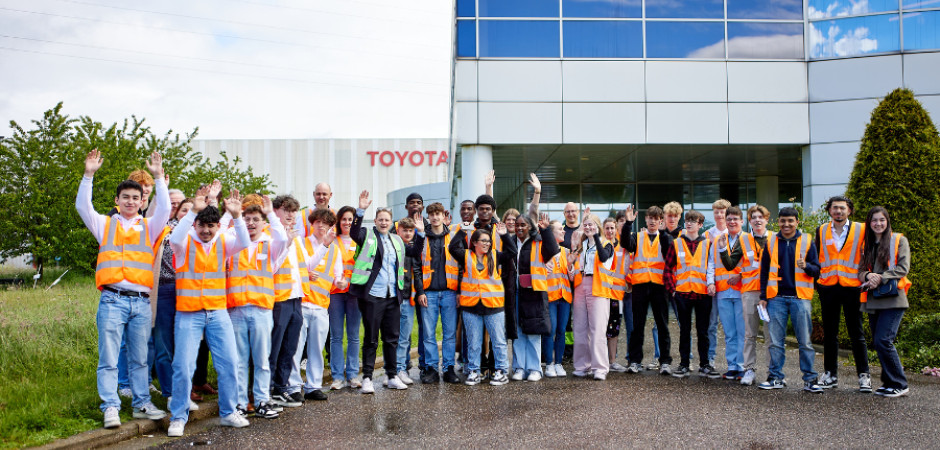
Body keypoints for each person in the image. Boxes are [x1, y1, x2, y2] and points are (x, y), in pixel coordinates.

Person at [76, 149, 170, 429]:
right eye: (125, 197)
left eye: (136, 198)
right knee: (108, 359)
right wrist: (88, 175)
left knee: (140, 359)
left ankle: (142, 403)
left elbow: (164, 209)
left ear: (143, 201)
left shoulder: (150, 226)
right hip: (112, 300)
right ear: (117, 201)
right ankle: (111, 407)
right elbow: (83, 207)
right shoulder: (104, 224)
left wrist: (157, 177)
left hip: (141, 303)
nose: (130, 201)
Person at [167, 187, 252, 436]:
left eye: (211, 226)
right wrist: (193, 208)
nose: (206, 230)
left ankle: (228, 412)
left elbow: (245, 242)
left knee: (228, 363)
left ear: (217, 227)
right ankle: (179, 416)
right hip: (189, 313)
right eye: (202, 225)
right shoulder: (183, 243)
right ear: (195, 225)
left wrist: (236, 216)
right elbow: (173, 239)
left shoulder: (223, 242)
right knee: (183, 366)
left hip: (217, 312)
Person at [349, 191, 425, 394]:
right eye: (380, 219)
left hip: (393, 296)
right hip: (373, 295)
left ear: (392, 223)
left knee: (392, 337)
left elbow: (414, 252)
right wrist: (360, 210)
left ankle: (391, 376)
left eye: (387, 220)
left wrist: (421, 233)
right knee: (371, 339)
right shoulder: (367, 235)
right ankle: (367, 377)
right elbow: (354, 233)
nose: (384, 223)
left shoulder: (397, 240)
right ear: (375, 221)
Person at [226, 195, 290, 419]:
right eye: (247, 219)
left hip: (261, 310)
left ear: (263, 223)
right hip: (236, 309)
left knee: (262, 360)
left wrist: (271, 213)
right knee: (239, 361)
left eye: (256, 219)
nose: (251, 223)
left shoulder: (271, 245)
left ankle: (262, 400)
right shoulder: (234, 242)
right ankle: (241, 403)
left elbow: (282, 237)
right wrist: (231, 213)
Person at [757, 207, 824, 393]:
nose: (786, 224)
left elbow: (817, 270)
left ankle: (810, 380)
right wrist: (763, 297)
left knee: (805, 342)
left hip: (800, 298)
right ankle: (775, 377)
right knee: (776, 341)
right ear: (778, 222)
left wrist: (807, 266)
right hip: (776, 298)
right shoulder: (770, 242)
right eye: (783, 221)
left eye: (790, 221)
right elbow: (763, 272)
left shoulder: (808, 241)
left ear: (797, 222)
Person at [814, 196, 871, 392]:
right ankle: (830, 374)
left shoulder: (862, 229)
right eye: (835, 208)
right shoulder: (821, 230)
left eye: (842, 208)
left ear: (849, 211)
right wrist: (818, 283)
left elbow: (870, 253)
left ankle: (864, 376)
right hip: (829, 287)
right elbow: (817, 256)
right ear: (829, 211)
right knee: (830, 334)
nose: (838, 211)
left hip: (852, 287)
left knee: (857, 333)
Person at [449, 223, 516, 385]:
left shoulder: (495, 255)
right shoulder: (466, 256)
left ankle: (501, 371)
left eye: (488, 241)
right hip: (471, 307)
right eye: (483, 241)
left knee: (499, 341)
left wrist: (504, 235)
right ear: (474, 242)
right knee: (473, 342)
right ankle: (474, 371)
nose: (486, 243)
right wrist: (463, 231)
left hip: (494, 306)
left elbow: (513, 252)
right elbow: (452, 247)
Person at [151, 197, 199, 411]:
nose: (187, 213)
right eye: (184, 209)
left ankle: (183, 392)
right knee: (163, 344)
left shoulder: (200, 236)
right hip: (164, 289)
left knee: (185, 345)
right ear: (177, 212)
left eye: (192, 210)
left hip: (188, 290)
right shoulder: (165, 231)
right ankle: (170, 392)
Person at [289, 208, 341, 401]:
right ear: (312, 224)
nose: (321, 226)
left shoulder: (334, 249)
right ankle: (294, 386)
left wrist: (341, 282)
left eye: (325, 223)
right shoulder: (300, 243)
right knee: (296, 348)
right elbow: (299, 267)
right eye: (317, 222)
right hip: (302, 303)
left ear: (329, 227)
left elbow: (337, 275)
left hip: (321, 305)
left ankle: (313, 386)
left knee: (316, 349)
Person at [858, 206, 911, 397]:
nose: (878, 223)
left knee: (883, 340)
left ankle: (900, 383)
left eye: (881, 220)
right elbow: (860, 270)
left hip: (893, 298)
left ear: (887, 221)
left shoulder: (899, 240)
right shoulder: (867, 244)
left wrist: (880, 277)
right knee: (879, 342)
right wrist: (868, 275)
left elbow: (903, 268)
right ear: (869, 223)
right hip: (874, 299)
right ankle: (889, 382)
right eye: (874, 220)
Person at [268, 195, 311, 404]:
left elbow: (307, 264)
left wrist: (325, 246)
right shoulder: (270, 234)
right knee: (274, 346)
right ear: (275, 211)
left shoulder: (296, 237)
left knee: (290, 347)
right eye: (286, 210)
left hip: (296, 298)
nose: (291, 215)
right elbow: (272, 264)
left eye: (294, 211)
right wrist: (286, 242)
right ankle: (266, 388)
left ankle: (281, 386)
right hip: (278, 299)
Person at [622, 205, 674, 375]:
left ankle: (665, 361)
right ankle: (635, 361)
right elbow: (625, 243)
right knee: (638, 325)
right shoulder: (637, 236)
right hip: (640, 285)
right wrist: (629, 223)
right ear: (645, 219)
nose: (652, 221)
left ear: (660, 221)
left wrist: (664, 233)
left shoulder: (665, 237)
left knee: (662, 324)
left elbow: (669, 255)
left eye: (656, 218)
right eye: (650, 218)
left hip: (659, 285)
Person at [664, 210, 715, 378]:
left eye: (693, 221)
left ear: (700, 225)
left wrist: (711, 284)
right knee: (684, 330)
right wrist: (672, 290)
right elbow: (668, 270)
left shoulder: (708, 244)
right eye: (687, 221)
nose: (689, 223)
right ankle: (684, 364)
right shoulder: (676, 243)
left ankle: (705, 364)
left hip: (702, 294)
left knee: (703, 331)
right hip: (683, 294)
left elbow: (711, 268)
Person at [724, 204, 770, 386]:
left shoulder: (775, 239)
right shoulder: (743, 241)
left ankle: (772, 372)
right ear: (749, 221)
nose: (757, 220)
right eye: (754, 217)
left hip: (771, 293)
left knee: (770, 335)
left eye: (761, 217)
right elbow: (730, 264)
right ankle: (749, 369)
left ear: (766, 219)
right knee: (749, 334)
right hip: (750, 291)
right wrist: (721, 250)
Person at [571, 211, 619, 380]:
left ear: (597, 227)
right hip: (580, 286)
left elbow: (604, 257)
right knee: (580, 328)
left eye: (591, 224)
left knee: (597, 330)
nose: (588, 227)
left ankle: (600, 368)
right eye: (586, 224)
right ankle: (582, 365)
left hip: (598, 289)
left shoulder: (606, 244)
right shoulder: (581, 245)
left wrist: (596, 236)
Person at [419, 202, 462, 384]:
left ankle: (448, 368)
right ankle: (431, 368)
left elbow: (461, 265)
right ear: (428, 217)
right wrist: (420, 291)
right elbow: (416, 266)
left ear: (444, 216)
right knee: (428, 334)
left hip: (450, 292)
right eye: (432, 214)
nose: (435, 217)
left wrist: (459, 291)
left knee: (449, 333)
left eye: (438, 214)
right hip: (428, 292)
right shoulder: (422, 237)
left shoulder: (454, 236)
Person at [709, 206, 746, 381]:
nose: (731, 222)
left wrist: (741, 275)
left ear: (742, 221)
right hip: (723, 291)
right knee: (730, 332)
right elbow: (711, 264)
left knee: (742, 331)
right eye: (729, 219)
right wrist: (710, 283)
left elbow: (755, 264)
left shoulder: (748, 239)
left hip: (741, 291)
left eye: (735, 219)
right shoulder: (718, 240)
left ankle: (742, 366)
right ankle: (732, 366)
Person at [328, 206, 362, 390]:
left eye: (351, 219)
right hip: (336, 293)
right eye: (344, 219)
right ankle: (337, 376)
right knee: (336, 336)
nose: (347, 222)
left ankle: (353, 375)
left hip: (354, 293)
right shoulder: (333, 241)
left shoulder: (360, 241)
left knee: (354, 335)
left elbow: (364, 267)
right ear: (338, 221)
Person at [393, 217, 425, 385]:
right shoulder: (393, 246)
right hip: (393, 298)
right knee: (392, 336)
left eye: (410, 230)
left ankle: (400, 369)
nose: (407, 233)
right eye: (404, 230)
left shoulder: (412, 249)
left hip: (408, 299)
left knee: (404, 337)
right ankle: (392, 370)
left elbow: (418, 273)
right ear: (398, 231)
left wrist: (420, 292)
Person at [544, 220, 574, 377]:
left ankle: (558, 363)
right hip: (550, 297)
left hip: (564, 297)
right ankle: (549, 363)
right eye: (560, 229)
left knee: (562, 330)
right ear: (551, 233)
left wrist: (572, 269)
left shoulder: (567, 251)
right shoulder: (544, 251)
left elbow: (572, 276)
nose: (563, 231)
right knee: (551, 331)